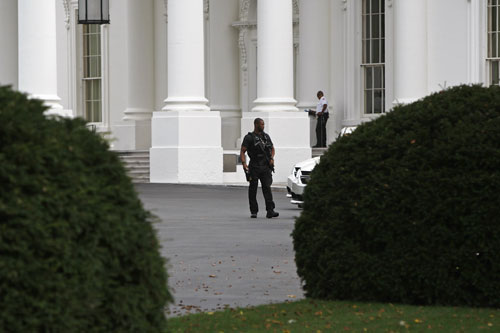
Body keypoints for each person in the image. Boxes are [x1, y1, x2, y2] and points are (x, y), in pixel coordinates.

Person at [240, 118, 279, 219]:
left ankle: (270, 210)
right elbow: (242, 151)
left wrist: (271, 158)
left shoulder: (266, 137)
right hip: (254, 166)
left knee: (267, 188)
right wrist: (244, 164)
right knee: (253, 189)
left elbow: (272, 148)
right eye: (261, 124)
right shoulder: (249, 137)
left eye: (263, 124)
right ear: (256, 125)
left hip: (265, 166)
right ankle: (254, 211)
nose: (263, 126)